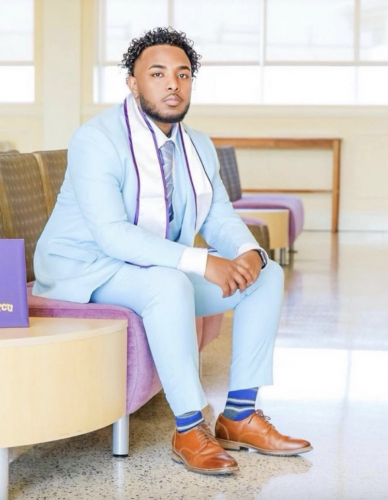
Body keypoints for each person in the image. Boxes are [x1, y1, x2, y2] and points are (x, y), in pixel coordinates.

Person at [33, 27, 312, 475]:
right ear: (133, 82)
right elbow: (111, 234)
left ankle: (239, 415)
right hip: (86, 269)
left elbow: (218, 215)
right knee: (167, 283)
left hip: (150, 267)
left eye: (182, 75)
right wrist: (204, 261)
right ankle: (187, 427)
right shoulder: (97, 139)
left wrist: (247, 251)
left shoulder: (197, 144)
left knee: (268, 276)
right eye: (157, 73)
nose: (172, 84)